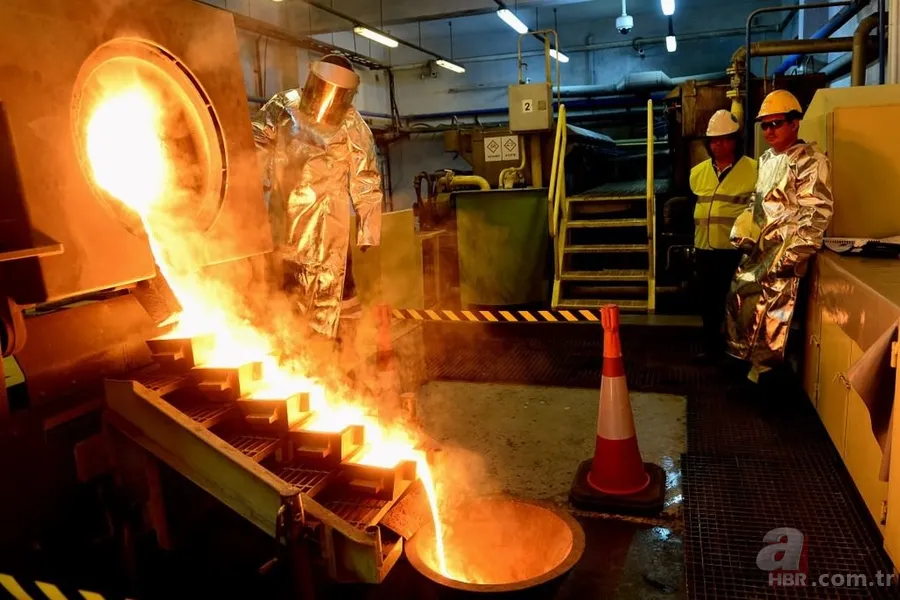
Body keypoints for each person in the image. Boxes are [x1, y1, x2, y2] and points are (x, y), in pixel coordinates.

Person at [251, 54, 383, 344]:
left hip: (328, 217)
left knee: (332, 283)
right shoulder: (284, 105)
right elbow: (257, 139)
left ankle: (340, 351)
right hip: (285, 208)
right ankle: (287, 344)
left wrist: (368, 229)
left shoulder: (352, 124)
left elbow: (366, 177)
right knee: (285, 278)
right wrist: (254, 182)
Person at [725, 89, 834, 385]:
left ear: (795, 123)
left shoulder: (811, 160)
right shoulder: (768, 160)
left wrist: (790, 258)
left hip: (783, 259)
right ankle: (749, 373)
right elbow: (757, 202)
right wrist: (744, 229)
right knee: (742, 308)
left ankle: (769, 385)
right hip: (758, 254)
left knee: (775, 324)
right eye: (765, 125)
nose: (770, 130)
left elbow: (816, 213)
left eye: (776, 123)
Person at [689, 109, 757, 362]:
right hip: (704, 248)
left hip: (734, 252)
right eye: (715, 140)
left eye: (726, 139)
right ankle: (711, 347)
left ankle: (736, 350)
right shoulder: (697, 173)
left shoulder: (753, 170)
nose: (720, 145)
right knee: (708, 302)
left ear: (736, 141)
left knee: (735, 304)